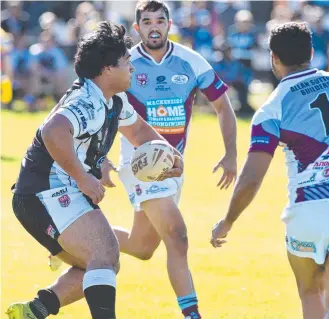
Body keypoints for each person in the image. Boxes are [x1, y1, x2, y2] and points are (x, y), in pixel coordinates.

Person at [6, 21, 182, 319]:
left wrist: (171, 155)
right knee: (104, 252)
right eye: (127, 62)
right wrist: (83, 175)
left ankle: (34, 311)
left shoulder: (112, 101)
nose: (132, 68)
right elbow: (53, 132)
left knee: (102, 263)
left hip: (43, 195)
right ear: (106, 69)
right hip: (44, 193)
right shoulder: (86, 101)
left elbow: (138, 131)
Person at [211, 22, 329, 319]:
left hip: (308, 208)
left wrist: (228, 221)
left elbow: (251, 178)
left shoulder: (271, 108)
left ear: (273, 58)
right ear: (312, 52)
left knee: (310, 292)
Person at [114, 1, 236, 318]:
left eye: (160, 20)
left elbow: (223, 106)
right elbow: (103, 110)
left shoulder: (190, 61)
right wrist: (98, 158)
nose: (154, 26)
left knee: (143, 247)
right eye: (147, 21)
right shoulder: (123, 65)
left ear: (170, 25)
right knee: (177, 236)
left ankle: (66, 235)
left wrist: (231, 153)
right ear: (137, 27)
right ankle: (192, 313)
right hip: (139, 163)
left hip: (174, 167)